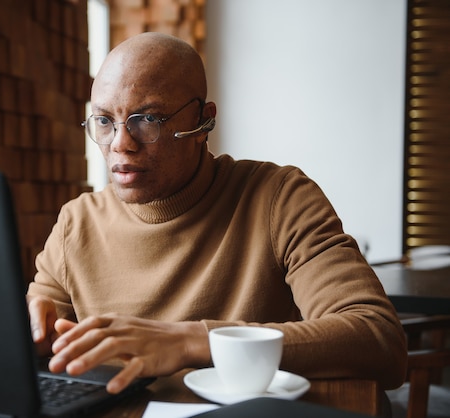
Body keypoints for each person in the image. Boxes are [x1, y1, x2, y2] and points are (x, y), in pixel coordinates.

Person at [27, 32, 407, 395]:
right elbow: (42, 343)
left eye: (148, 119)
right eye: (105, 121)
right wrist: (30, 334)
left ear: (202, 121)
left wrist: (194, 341)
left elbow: (378, 339)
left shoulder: (279, 198)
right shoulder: (75, 224)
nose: (121, 144)